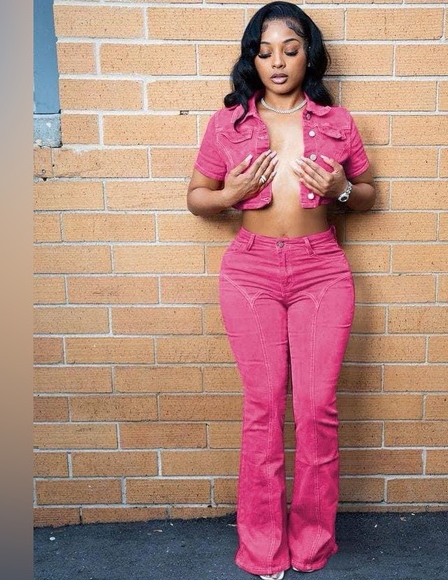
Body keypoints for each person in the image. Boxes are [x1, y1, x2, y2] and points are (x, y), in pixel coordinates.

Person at [187, 2, 375, 578]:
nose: (277, 62)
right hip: (251, 272)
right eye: (265, 52)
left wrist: (342, 190)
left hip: (323, 272)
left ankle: (312, 542)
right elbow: (196, 197)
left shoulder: (337, 121)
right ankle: (263, 547)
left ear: (308, 55)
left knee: (316, 409)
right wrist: (230, 195)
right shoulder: (228, 124)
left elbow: (368, 193)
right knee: (264, 410)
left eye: (290, 50)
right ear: (252, 59)